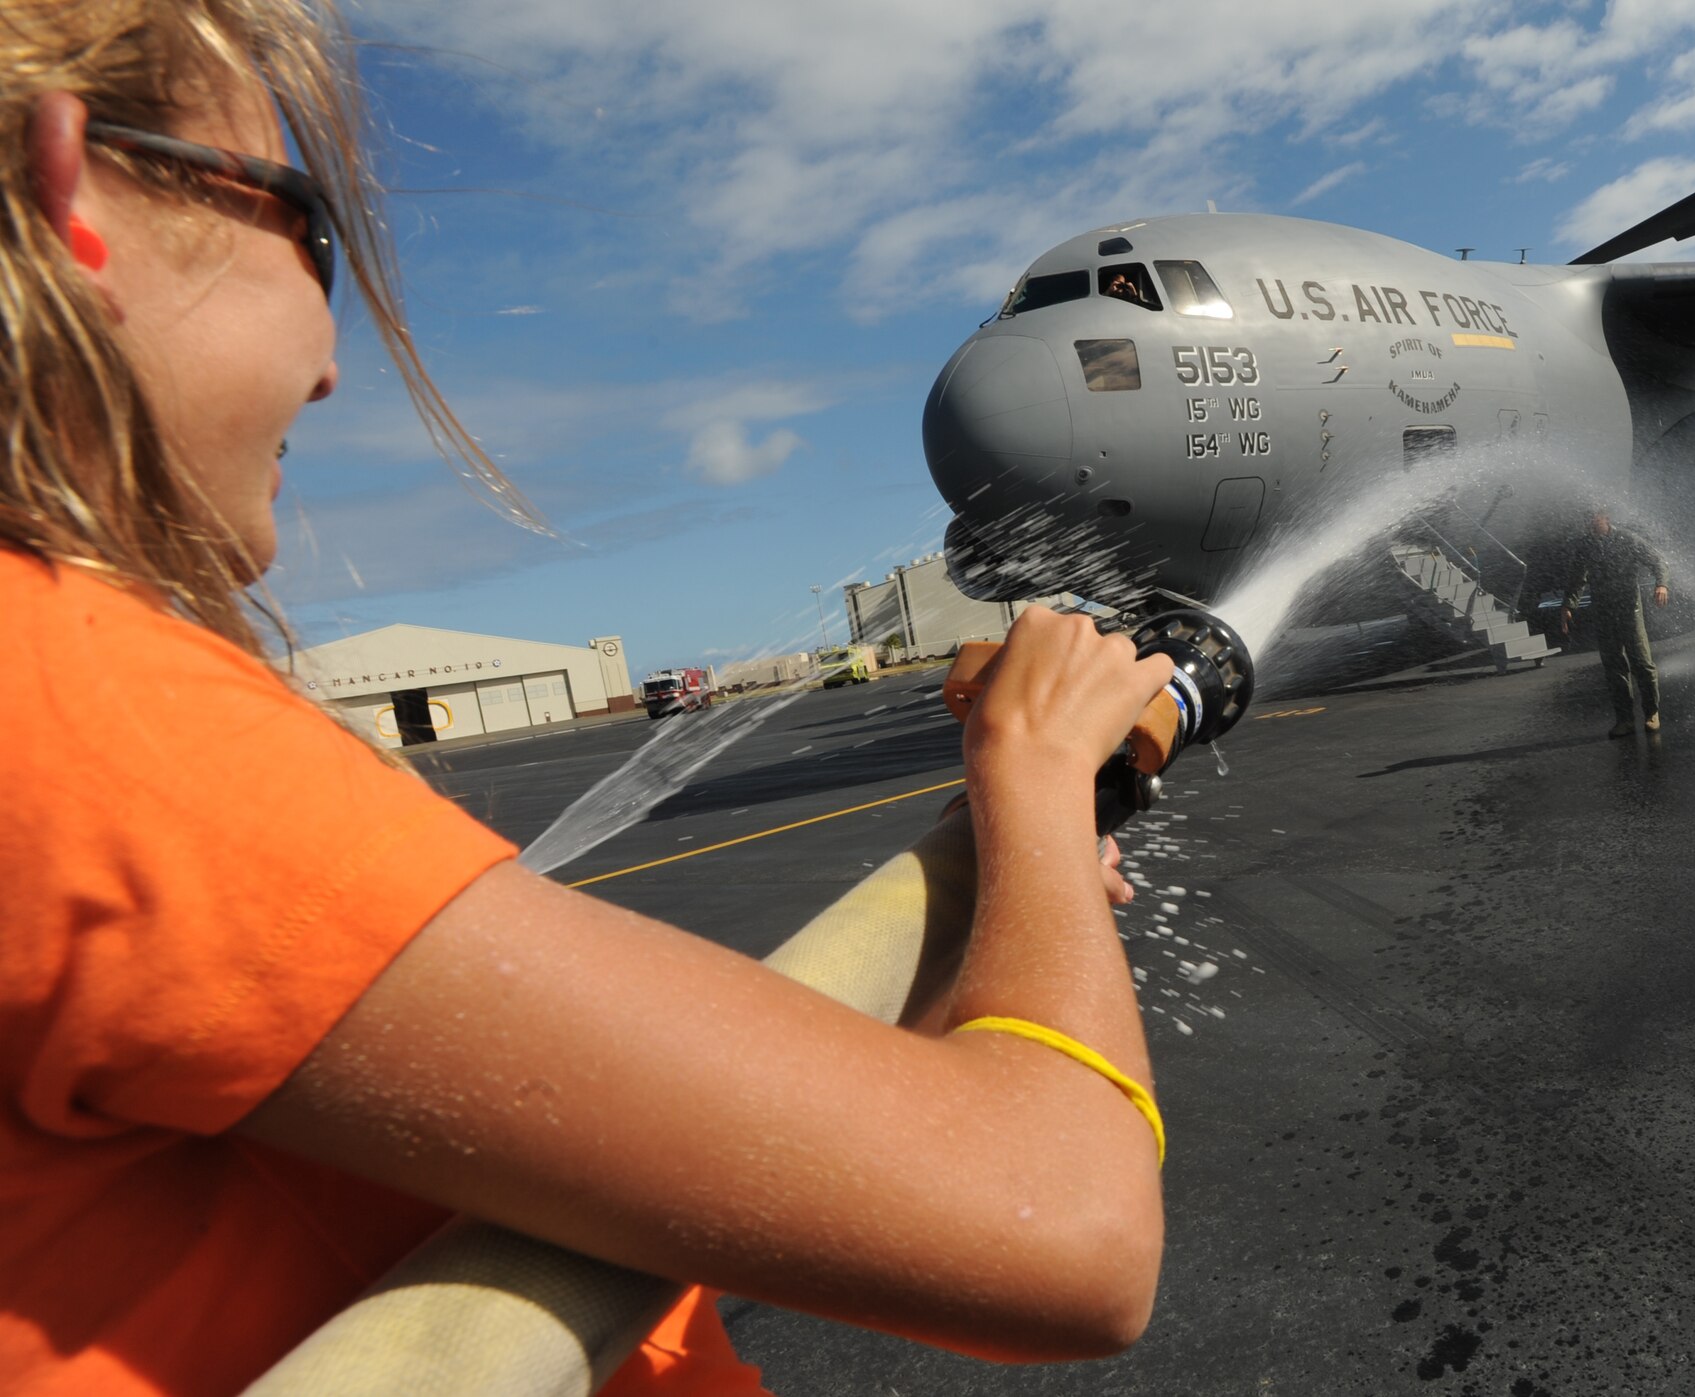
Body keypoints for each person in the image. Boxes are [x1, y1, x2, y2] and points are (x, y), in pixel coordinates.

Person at [0, 5, 1172, 1395]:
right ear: (78, 192)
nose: (330, 358)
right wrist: (1038, 779)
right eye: (303, 225)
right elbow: (1068, 1233)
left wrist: (976, 968)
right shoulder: (84, 711)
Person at [1561, 509, 1670, 737]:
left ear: (1606, 518)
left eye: (1594, 518)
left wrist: (1661, 584)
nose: (1590, 523)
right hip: (1603, 610)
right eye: (1587, 519)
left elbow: (1657, 560)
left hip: (1629, 608)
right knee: (1614, 667)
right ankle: (1625, 719)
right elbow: (1577, 577)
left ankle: (1651, 713)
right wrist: (1568, 606)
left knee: (1641, 662)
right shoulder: (1585, 546)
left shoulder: (1627, 539)